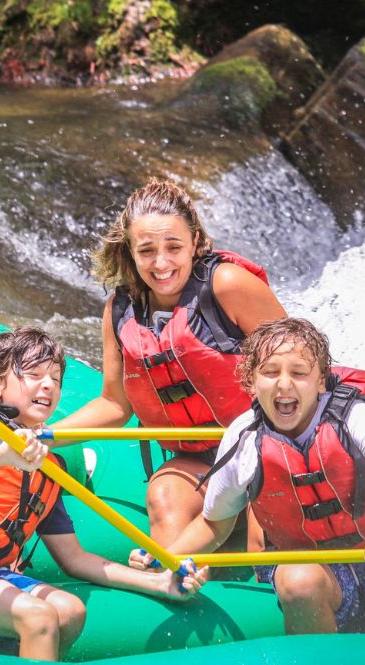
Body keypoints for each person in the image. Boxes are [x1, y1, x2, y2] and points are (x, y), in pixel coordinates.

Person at [0, 326, 207, 661]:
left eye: (55, 378)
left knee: (69, 611)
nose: (49, 385)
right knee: (38, 618)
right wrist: (0, 454)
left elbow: (75, 558)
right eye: (34, 375)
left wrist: (159, 583)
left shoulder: (45, 465)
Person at [131, 318, 365, 634]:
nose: (284, 383)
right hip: (315, 574)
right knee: (300, 581)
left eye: (299, 373)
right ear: (251, 383)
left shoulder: (353, 417)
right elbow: (215, 524)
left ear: (321, 381)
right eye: (270, 373)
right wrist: (165, 556)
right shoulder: (243, 438)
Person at [52, 179, 286, 546]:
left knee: (263, 541)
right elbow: (114, 403)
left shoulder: (228, 285)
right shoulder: (120, 310)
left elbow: (303, 369)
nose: (160, 263)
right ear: (130, 252)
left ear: (195, 242)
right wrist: (46, 436)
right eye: (146, 251)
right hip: (199, 459)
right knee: (164, 499)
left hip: (269, 445)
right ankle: (178, 581)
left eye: (173, 247)